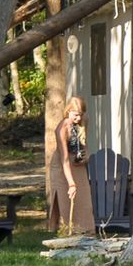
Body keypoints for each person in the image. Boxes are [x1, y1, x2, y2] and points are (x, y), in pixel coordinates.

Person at [48, 95, 95, 236]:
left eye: (80, 115)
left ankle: (87, 234)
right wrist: (71, 184)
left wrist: (86, 154)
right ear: (68, 111)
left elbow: (84, 144)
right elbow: (64, 159)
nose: (78, 119)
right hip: (62, 166)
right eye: (75, 115)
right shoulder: (61, 129)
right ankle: (68, 233)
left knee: (84, 199)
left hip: (78, 164)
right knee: (66, 200)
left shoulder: (84, 120)